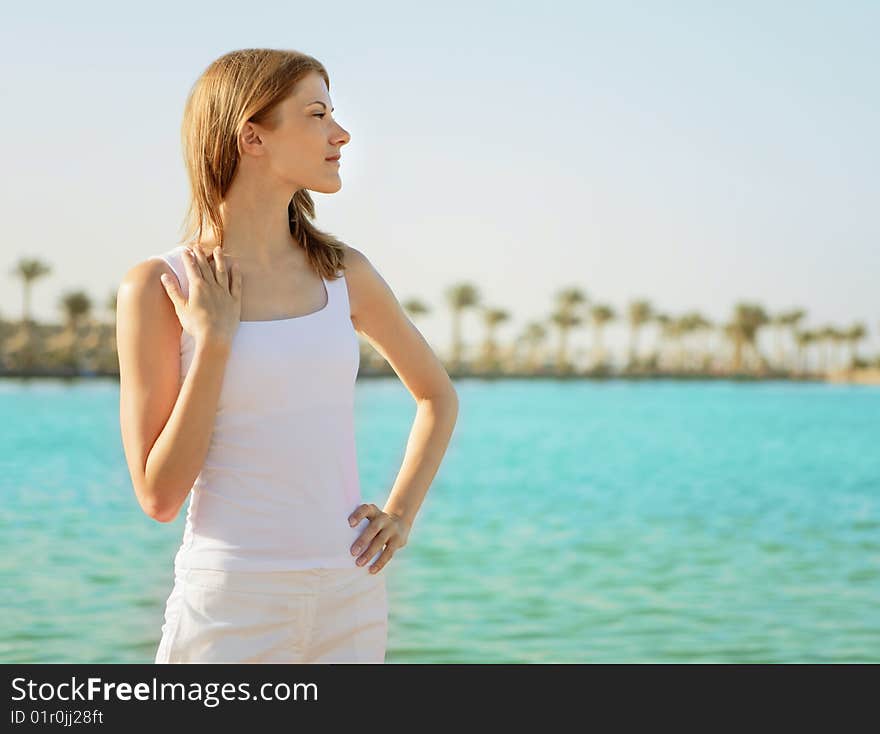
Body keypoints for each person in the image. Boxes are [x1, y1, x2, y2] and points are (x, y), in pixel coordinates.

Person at [115, 48, 459, 663]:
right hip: (231, 602)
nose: (342, 133)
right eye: (317, 114)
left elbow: (437, 396)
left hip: (350, 593)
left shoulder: (343, 271)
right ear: (252, 137)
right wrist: (215, 341)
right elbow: (160, 497)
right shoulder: (158, 287)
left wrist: (401, 514)